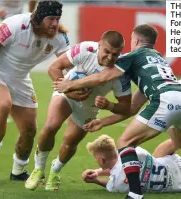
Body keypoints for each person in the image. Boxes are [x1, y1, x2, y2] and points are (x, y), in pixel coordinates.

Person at [52, 24, 181, 199]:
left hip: (166, 99)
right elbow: (133, 108)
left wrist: (70, 84)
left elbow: (103, 77)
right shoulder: (159, 60)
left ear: (134, 40)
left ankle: (135, 194)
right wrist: (104, 121)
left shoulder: (132, 57)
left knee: (125, 143)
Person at [24, 31, 132, 191]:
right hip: (66, 94)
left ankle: (55, 171)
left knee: (70, 142)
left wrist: (109, 105)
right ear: (99, 45)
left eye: (115, 54)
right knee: (51, 126)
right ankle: (39, 169)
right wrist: (68, 91)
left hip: (88, 108)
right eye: (107, 52)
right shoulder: (85, 49)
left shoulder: (120, 73)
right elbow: (54, 68)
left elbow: (126, 107)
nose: (110, 58)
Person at [0, 0, 70, 181]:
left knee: (29, 130)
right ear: (39, 17)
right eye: (51, 19)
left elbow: (68, 64)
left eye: (57, 18)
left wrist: (77, 84)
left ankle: (18, 171)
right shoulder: (17, 24)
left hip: (21, 79)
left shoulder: (59, 37)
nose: (55, 23)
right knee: (3, 104)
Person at [83, 135, 181, 193]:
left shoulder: (116, 185)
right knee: (155, 157)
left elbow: (115, 175)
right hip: (179, 165)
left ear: (101, 160)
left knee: (153, 160)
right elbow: (120, 166)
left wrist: (96, 180)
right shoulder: (133, 152)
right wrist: (98, 172)